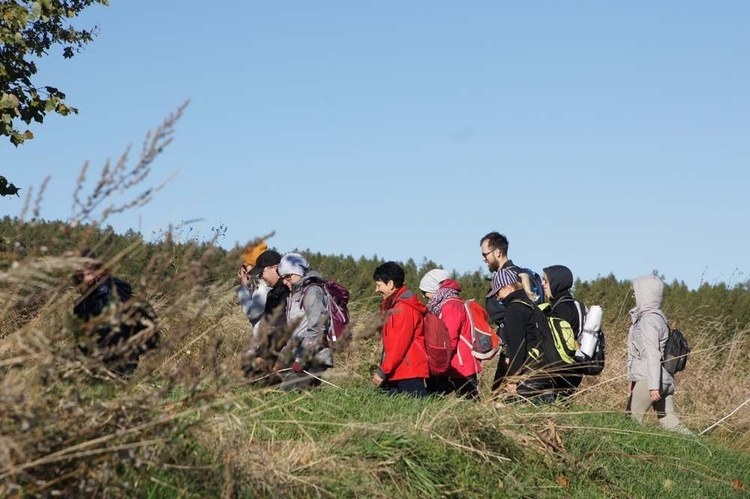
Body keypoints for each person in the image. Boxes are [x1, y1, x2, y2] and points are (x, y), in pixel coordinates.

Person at [72, 249, 159, 376]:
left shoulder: (108, 292)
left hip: (115, 368)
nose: (84, 270)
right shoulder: (84, 300)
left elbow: (114, 333)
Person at [626, 275, 692, 434]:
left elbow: (652, 354)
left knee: (631, 420)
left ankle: (635, 454)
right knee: (669, 421)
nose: (633, 296)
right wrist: (632, 379)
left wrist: (653, 386)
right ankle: (701, 447)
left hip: (650, 379)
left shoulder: (648, 320)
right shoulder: (659, 318)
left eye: (635, 292)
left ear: (645, 294)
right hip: (665, 379)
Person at [488, 268, 556, 404]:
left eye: (497, 292)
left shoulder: (514, 309)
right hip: (544, 371)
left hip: (529, 374)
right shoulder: (530, 304)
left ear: (508, 287)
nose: (497, 297)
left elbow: (518, 346)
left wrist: (513, 379)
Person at [480, 231, 538, 390]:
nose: (483, 258)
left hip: (515, 348)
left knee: (501, 397)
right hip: (516, 347)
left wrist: (510, 353)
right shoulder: (516, 274)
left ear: (497, 252)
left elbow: (515, 321)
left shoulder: (509, 279)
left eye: (485, 254)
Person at [273, 252, 333, 390]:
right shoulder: (295, 295)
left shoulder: (313, 292)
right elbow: (295, 333)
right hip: (298, 356)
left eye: (288, 276)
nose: (285, 281)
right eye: (283, 278)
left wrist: (301, 358)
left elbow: (317, 328)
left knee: (288, 394)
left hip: (312, 357)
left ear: (299, 272)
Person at [419, 268, 481, 399]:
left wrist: (438, 363)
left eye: (425, 292)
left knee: (468, 404)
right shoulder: (454, 302)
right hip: (459, 363)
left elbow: (448, 339)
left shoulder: (450, 306)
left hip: (459, 366)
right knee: (468, 404)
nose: (424, 296)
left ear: (435, 289)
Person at [372, 262, 429, 398]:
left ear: (390, 284)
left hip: (409, 375)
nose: (376, 290)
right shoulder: (394, 307)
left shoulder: (404, 309)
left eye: (379, 285)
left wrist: (383, 371)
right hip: (397, 372)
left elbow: (399, 344)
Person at [243, 249, 290, 374]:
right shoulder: (271, 294)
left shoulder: (287, 293)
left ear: (275, 268)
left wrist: (263, 356)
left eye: (262, 271)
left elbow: (280, 330)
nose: (261, 276)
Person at [542, 265, 584, 396]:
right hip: (576, 367)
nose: (542, 284)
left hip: (563, 369)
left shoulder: (561, 308)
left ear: (556, 282)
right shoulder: (575, 304)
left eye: (546, 280)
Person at [237, 241, 271, 336]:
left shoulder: (265, 286)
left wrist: (243, 288)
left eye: (245, 266)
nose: (243, 270)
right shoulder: (262, 284)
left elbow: (251, 313)